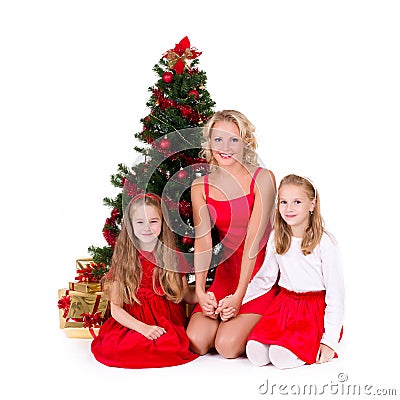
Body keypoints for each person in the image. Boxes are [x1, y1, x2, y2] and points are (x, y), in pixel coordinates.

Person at [186, 110, 279, 358]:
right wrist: (201, 292)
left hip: (258, 277)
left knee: (226, 346)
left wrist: (239, 295)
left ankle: (270, 317)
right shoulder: (200, 186)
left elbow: (254, 241)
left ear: (245, 142)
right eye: (218, 140)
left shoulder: (263, 179)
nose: (225, 147)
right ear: (209, 143)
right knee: (197, 341)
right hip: (226, 273)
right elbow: (203, 241)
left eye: (233, 140)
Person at [244, 174, 344, 369]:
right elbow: (265, 279)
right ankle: (284, 342)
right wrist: (238, 300)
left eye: (297, 202)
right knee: (255, 353)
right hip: (284, 307)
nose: (289, 208)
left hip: (312, 311)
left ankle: (309, 345)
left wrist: (329, 341)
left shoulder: (325, 243)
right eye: (283, 202)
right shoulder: (278, 238)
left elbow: (336, 296)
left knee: (280, 358)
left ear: (312, 205)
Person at [91, 193, 199, 368]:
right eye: (140, 222)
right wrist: (143, 328)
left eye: (154, 221)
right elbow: (116, 309)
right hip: (134, 321)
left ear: (163, 223)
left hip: (166, 320)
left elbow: (186, 295)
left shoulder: (174, 257)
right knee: (121, 349)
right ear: (131, 226)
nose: (147, 227)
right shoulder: (124, 259)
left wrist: (208, 296)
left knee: (168, 347)